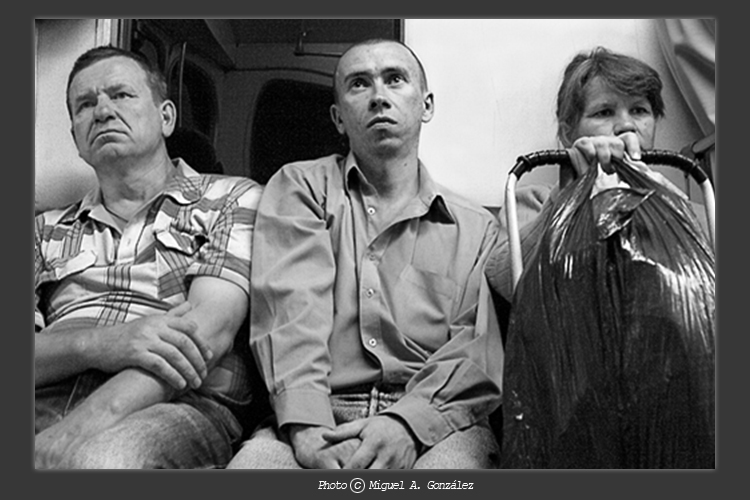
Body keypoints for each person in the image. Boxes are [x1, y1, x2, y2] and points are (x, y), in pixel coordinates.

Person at [226, 39, 504, 469]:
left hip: (436, 421)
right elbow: (291, 311)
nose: (379, 96)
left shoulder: (476, 227)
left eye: (395, 79)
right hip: (318, 408)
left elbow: (476, 349)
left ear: (426, 105)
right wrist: (308, 428)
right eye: (359, 84)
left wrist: (407, 425)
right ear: (338, 117)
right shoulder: (301, 188)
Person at [34, 46, 263, 469]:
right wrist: (100, 345)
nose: (103, 111)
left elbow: (206, 334)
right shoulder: (41, 229)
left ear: (166, 117)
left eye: (121, 95)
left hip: (175, 401)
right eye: (85, 105)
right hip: (42, 399)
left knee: (102, 462)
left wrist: (78, 428)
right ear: (76, 139)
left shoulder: (231, 198)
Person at [486, 46, 707, 299]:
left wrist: (671, 206)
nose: (626, 126)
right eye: (604, 112)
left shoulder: (694, 206)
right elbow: (502, 283)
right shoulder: (533, 201)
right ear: (568, 133)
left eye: (639, 110)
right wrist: (569, 199)